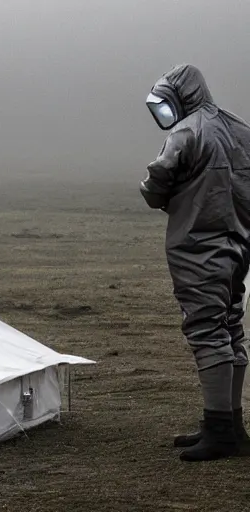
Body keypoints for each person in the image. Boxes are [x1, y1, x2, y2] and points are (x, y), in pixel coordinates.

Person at [141, 63, 250, 462]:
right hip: (239, 242)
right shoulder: (239, 128)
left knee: (207, 329)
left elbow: (157, 182)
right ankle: (230, 424)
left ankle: (220, 428)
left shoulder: (186, 132)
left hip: (198, 243)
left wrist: (155, 193)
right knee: (230, 326)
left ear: (179, 96)